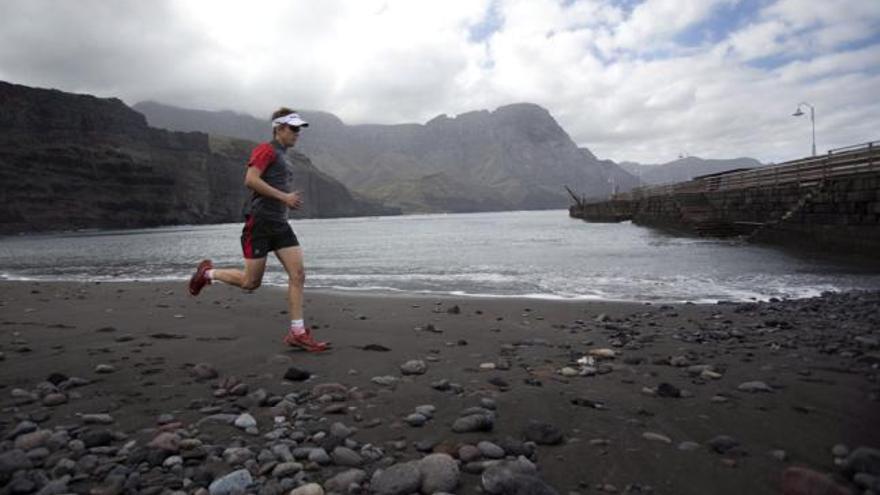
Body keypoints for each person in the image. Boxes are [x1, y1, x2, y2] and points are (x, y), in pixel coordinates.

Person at [187, 107, 328, 352]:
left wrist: (284, 203)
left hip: (280, 224)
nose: (298, 133)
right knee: (250, 283)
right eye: (293, 129)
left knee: (298, 275)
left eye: (299, 129)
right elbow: (250, 179)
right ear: (279, 128)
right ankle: (207, 273)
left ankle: (297, 333)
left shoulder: (285, 155)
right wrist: (284, 197)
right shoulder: (266, 150)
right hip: (260, 223)